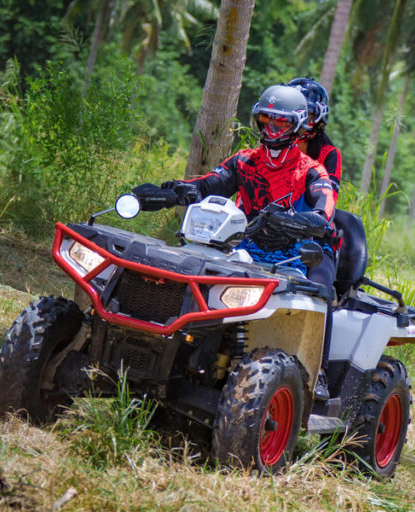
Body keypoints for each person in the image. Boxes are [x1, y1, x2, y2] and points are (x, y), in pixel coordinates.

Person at [133, 83, 338, 400]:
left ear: (297, 125)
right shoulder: (244, 161)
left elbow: (324, 207)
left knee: (316, 301)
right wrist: (171, 191)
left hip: (290, 261)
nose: (271, 129)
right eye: (265, 120)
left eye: (280, 122)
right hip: (241, 250)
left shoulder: (312, 170)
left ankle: (314, 374)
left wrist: (308, 220)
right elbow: (208, 184)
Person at [286, 77, 343, 191]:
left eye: (308, 115)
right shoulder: (275, 141)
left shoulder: (329, 154)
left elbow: (328, 198)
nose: (300, 121)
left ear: (319, 118)